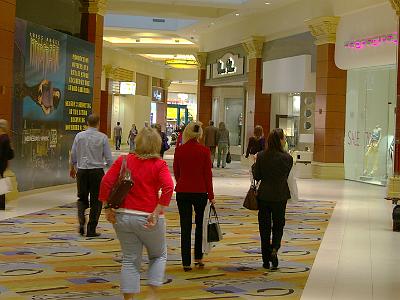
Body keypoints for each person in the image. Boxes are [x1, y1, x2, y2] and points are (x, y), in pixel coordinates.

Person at [99, 127, 174, 300]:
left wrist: (107, 208)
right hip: (148, 217)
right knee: (158, 255)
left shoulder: (124, 160)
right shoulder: (159, 164)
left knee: (130, 260)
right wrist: (158, 210)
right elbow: (169, 187)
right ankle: (151, 295)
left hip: (123, 216)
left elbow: (105, 182)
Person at [173, 121, 215, 271]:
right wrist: (211, 195)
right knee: (199, 226)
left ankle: (185, 262)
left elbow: (176, 172)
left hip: (183, 192)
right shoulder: (204, 151)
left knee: (185, 227)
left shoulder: (179, 151)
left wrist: (183, 183)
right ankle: (198, 257)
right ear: (199, 134)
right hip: (200, 192)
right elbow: (207, 175)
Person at [253, 129, 293, 270]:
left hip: (264, 196)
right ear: (280, 140)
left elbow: (257, 176)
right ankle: (275, 248)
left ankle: (265, 259)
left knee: (264, 228)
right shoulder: (288, 158)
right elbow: (286, 175)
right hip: (280, 195)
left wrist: (255, 165)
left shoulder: (262, 156)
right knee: (278, 225)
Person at [70, 114, 113, 237]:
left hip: (82, 171)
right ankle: (91, 229)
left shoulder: (79, 136)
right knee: (96, 201)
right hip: (97, 172)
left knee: (82, 198)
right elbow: (109, 159)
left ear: (87, 123)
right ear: (98, 123)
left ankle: (81, 221)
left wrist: (73, 167)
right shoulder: (103, 137)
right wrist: (113, 172)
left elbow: (73, 154)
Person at [0, 120, 14, 210]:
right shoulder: (5, 138)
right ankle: (1, 204)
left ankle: (1, 204)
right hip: (2, 164)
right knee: (1, 183)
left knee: (1, 183)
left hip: (1, 163)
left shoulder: (3, 138)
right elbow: (10, 155)